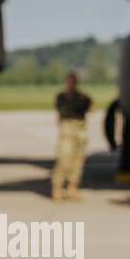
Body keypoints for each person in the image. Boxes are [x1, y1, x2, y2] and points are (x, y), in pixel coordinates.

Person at [51, 72, 92, 202]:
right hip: (68, 128)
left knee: (78, 160)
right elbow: (60, 110)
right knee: (64, 159)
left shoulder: (82, 97)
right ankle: (57, 189)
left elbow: (90, 106)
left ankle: (72, 188)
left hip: (80, 128)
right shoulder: (62, 97)